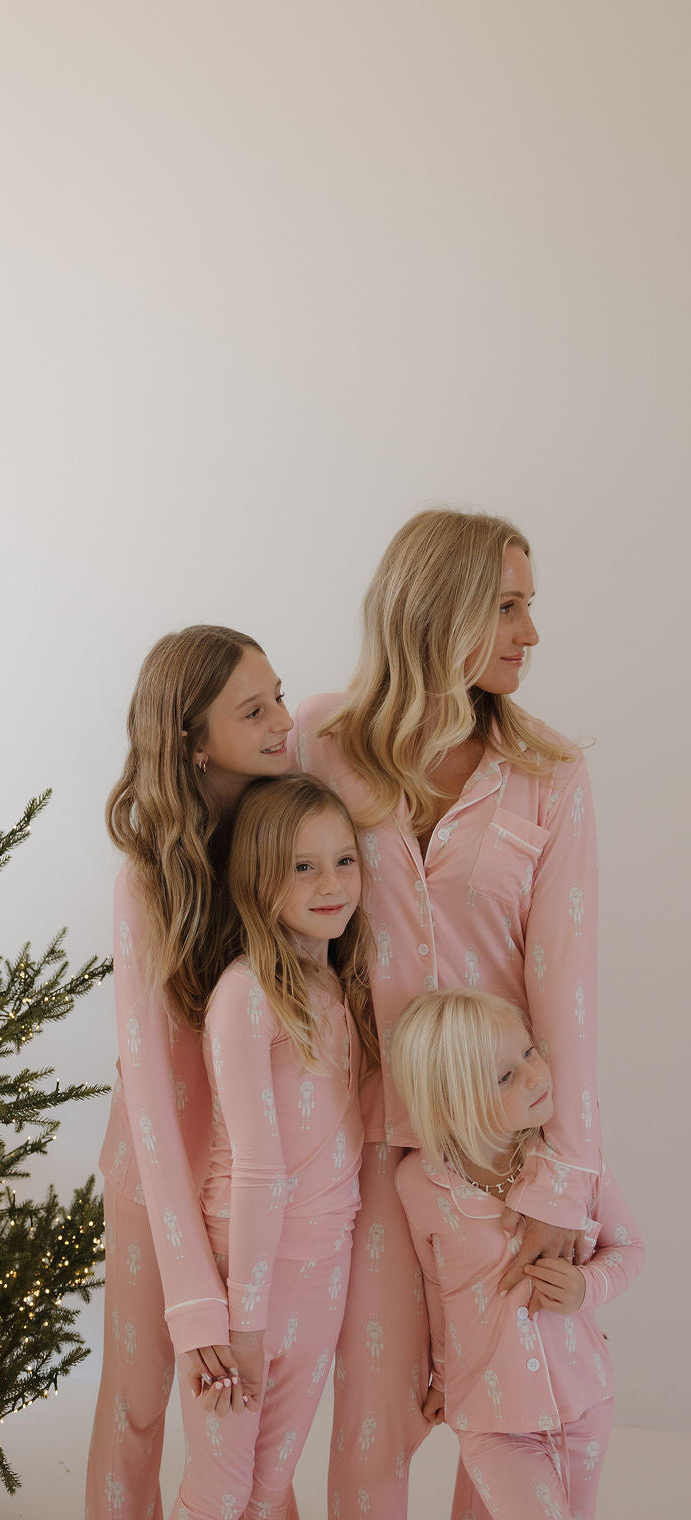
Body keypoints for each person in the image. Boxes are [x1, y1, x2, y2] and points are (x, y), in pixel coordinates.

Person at [293, 509, 600, 1520]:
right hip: (369, 1138)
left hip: (502, 1151)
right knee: (372, 1422)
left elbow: (569, 992)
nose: (530, 633)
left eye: (527, 606)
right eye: (508, 606)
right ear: (440, 608)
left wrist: (563, 1187)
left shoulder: (549, 774)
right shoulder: (321, 744)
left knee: (504, 1420)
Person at [86, 625, 295, 1520]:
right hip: (158, 1181)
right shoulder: (146, 883)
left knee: (249, 1419)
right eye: (255, 710)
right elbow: (150, 1101)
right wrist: (192, 1300)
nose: (284, 722)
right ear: (193, 740)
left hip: (260, 1182)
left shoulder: (288, 838)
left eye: (280, 697)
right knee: (138, 1405)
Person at [172, 773, 378, 1520]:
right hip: (247, 1271)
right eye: (303, 867)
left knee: (267, 1489)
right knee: (219, 1493)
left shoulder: (340, 989)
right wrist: (245, 1325)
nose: (331, 884)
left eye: (344, 860)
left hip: (325, 1267)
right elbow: (257, 1168)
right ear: (259, 879)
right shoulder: (246, 993)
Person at [389, 989, 642, 1519]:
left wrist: (586, 1287)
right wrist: (441, 1378)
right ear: (451, 1104)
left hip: (584, 1399)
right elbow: (438, 1291)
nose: (535, 1075)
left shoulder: (572, 1165)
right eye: (505, 1076)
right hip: (491, 1416)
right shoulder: (419, 1184)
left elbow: (628, 1249)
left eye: (529, 1052)